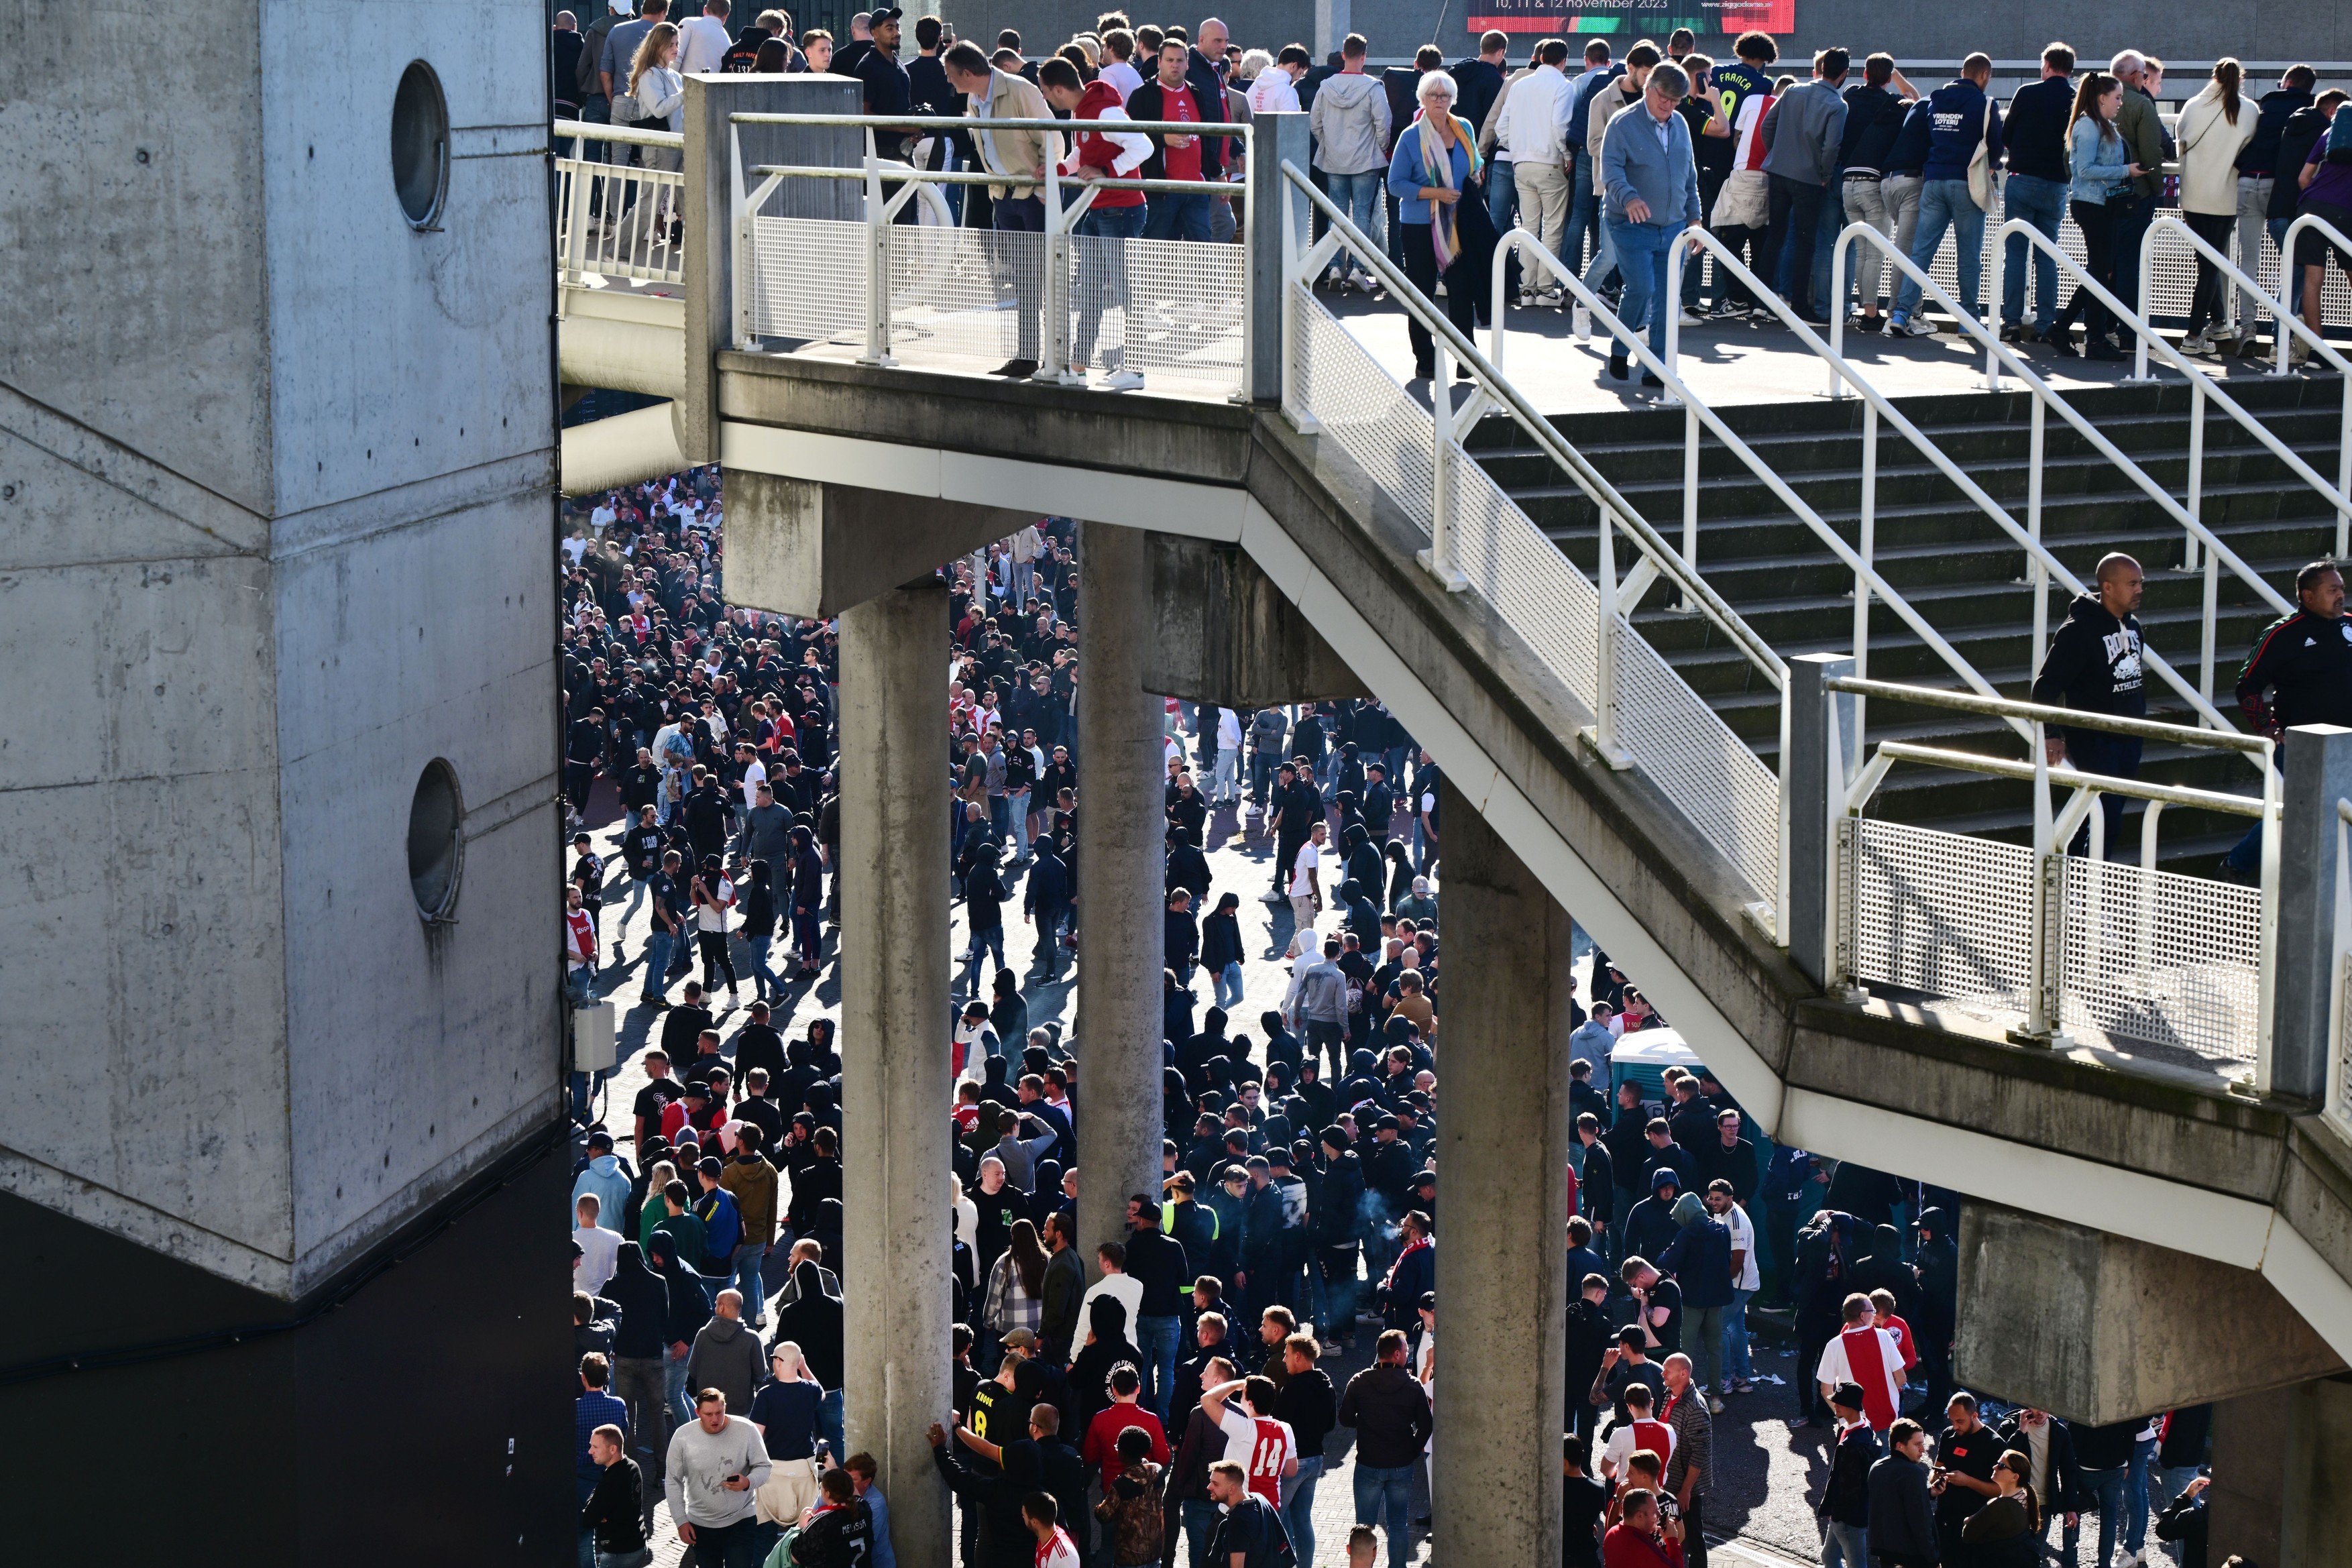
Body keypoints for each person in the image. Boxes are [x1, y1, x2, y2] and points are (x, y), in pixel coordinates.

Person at [942, 40, 1056, 378]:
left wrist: (1043, 189)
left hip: (1032, 195)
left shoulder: (1021, 90)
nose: (949, 82)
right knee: (1022, 280)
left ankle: (1052, 354)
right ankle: (1028, 354)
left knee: (1043, 276)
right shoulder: (973, 96)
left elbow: (1053, 138)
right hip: (1003, 195)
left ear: (966, 73)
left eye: (951, 76)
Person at [1041, 56, 1150, 391]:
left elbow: (1143, 145)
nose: (1046, 99)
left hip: (1120, 209)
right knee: (1089, 290)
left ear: (1058, 89)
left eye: (1046, 93)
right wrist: (1058, 171)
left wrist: (1108, 173)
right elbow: (1083, 154)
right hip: (1100, 208)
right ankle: (1079, 363)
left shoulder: (1103, 111)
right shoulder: (1085, 109)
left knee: (1125, 291)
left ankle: (1135, 367)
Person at [2029, 551, 2147, 852]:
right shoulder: (2079, 630)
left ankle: (2069, 885)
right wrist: (2052, 734)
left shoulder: (2133, 626)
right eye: (2132, 583)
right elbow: (2045, 689)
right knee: (2106, 822)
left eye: (2141, 583)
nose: (2139, 590)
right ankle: (2086, 892)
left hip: (2128, 740)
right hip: (2094, 741)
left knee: (2098, 819)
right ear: (2108, 587)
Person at [1600, 60, 1702, 384]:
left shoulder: (1681, 125)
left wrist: (1695, 218)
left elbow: (1689, 176)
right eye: (1664, 99)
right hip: (1629, 223)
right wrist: (1630, 198)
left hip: (1672, 226)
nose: (1669, 107)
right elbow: (1611, 171)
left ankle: (1658, 367)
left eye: (1675, 102)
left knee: (1667, 297)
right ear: (1649, 89)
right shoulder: (1621, 123)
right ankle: (1620, 347)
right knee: (1641, 288)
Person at [1889, 53, 1999, 337]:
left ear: (1963, 72)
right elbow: (1996, 148)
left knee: (1921, 251)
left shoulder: (1935, 100)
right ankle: (1968, 321)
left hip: (1933, 181)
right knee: (1969, 255)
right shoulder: (1985, 104)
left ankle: (1901, 314)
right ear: (1984, 75)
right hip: (1967, 183)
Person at [2043, 70, 2139, 360]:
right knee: (2101, 272)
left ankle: (2068, 329)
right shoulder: (2089, 127)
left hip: (2101, 204)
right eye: (2118, 97)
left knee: (2101, 271)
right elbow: (2083, 170)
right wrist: (2126, 170)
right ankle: (2091, 337)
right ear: (2102, 98)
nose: (2121, 102)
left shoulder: (2101, 125)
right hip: (2091, 204)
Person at [1758, 48, 1849, 321]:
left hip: (1778, 172)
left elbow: (1767, 126)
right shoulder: (1838, 106)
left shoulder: (1792, 91)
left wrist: (1776, 154)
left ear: (1820, 69)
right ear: (1844, 74)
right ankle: (1799, 305)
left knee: (1774, 236)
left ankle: (1760, 300)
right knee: (1805, 242)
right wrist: (1824, 174)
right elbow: (1831, 147)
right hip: (1809, 179)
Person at [1999, 43, 2079, 345]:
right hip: (2057, 184)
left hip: (2023, 179)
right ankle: (2046, 325)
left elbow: (2006, 136)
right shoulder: (2076, 98)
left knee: (2016, 253)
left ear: (2046, 66)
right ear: (2069, 69)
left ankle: (2012, 324)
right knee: (2047, 257)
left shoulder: (2027, 93)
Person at [2176, 60, 2257, 353]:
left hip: (2193, 194)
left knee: (2205, 261)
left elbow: (2180, 142)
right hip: (2226, 195)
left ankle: (2220, 322)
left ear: (2214, 76)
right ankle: (2194, 335)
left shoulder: (2193, 105)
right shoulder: (2249, 110)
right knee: (2211, 265)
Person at [1338, 1329, 1431, 1568]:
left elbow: (1346, 1418)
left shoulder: (1359, 1381)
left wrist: (1366, 1422)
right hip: (1401, 1465)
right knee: (1399, 1523)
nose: (1408, 1354)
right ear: (1398, 1354)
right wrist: (1412, 1449)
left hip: (1368, 1463)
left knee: (1364, 1526)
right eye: (1407, 1351)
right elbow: (1426, 1425)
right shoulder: (1412, 1386)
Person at [1496, 39, 1577, 305]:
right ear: (1563, 61)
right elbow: (1560, 126)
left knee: (1528, 227)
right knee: (1552, 227)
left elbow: (1501, 128)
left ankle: (1527, 289)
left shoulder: (1519, 85)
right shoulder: (1563, 86)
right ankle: (1545, 289)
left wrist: (1519, 148)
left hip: (1520, 163)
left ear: (1541, 57)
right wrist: (1566, 155)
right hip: (1551, 162)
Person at [1310, 34, 1394, 291]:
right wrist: (1379, 147)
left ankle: (1335, 266)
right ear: (1364, 56)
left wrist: (1329, 144)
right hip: (1365, 160)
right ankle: (1358, 268)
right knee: (1362, 214)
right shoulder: (1373, 88)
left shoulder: (1326, 87)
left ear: (1344, 55)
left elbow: (1315, 123)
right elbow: (1384, 123)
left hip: (1334, 160)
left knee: (1335, 212)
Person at [1125, 37, 1219, 243]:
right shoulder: (1144, 95)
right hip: (1161, 190)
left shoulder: (1195, 92)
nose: (1175, 65)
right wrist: (1162, 138)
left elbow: (1205, 138)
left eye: (1179, 60)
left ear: (1187, 64)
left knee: (1204, 251)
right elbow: (1129, 137)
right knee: (1154, 251)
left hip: (1196, 188)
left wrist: (1217, 172)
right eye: (1169, 60)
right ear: (1159, 62)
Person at [667, 1388, 772, 1567]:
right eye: (708, 1414)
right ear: (697, 1412)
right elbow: (673, 1481)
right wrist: (680, 1521)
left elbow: (764, 1466)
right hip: (701, 1525)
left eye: (719, 1413)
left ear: (725, 1408)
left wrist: (748, 1482)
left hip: (741, 1519)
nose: (715, 1419)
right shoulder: (682, 1437)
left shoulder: (746, 1429)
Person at [748, 1343, 826, 1530]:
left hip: (775, 1471)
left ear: (778, 1362)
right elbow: (821, 1392)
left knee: (765, 1532)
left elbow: (756, 1435)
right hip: (805, 1469)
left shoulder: (766, 1395)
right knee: (808, 1528)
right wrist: (803, 1367)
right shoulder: (811, 1390)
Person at [1816, 1382, 1880, 1568]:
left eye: (1840, 1403)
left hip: (1848, 1519)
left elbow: (1849, 1488)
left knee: (1856, 1565)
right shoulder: (1865, 1427)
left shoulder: (1851, 1445)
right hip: (1851, 1513)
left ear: (1852, 1406)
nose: (1835, 1405)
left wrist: (1836, 1512)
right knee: (1829, 1557)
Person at [1867, 1417, 1936, 1567]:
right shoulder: (1914, 1474)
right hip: (1910, 1555)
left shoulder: (1877, 1467)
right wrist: (1933, 1558)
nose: (1923, 1449)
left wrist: (1929, 1493)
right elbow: (1921, 1522)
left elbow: (1893, 1502)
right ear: (1900, 1446)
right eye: (1918, 1444)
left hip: (1884, 1550)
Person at [582, 1423, 653, 1568]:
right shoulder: (633, 1466)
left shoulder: (610, 1482)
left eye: (595, 1447)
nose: (590, 1451)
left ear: (613, 1449)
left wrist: (595, 1508)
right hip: (638, 1543)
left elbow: (588, 1519)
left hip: (619, 1554)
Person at [1206, 1459, 1294, 1568]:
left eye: (1215, 1484)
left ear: (1231, 1489)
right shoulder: (1259, 1499)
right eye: (1211, 1481)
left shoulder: (1238, 1520)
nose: (1209, 1487)